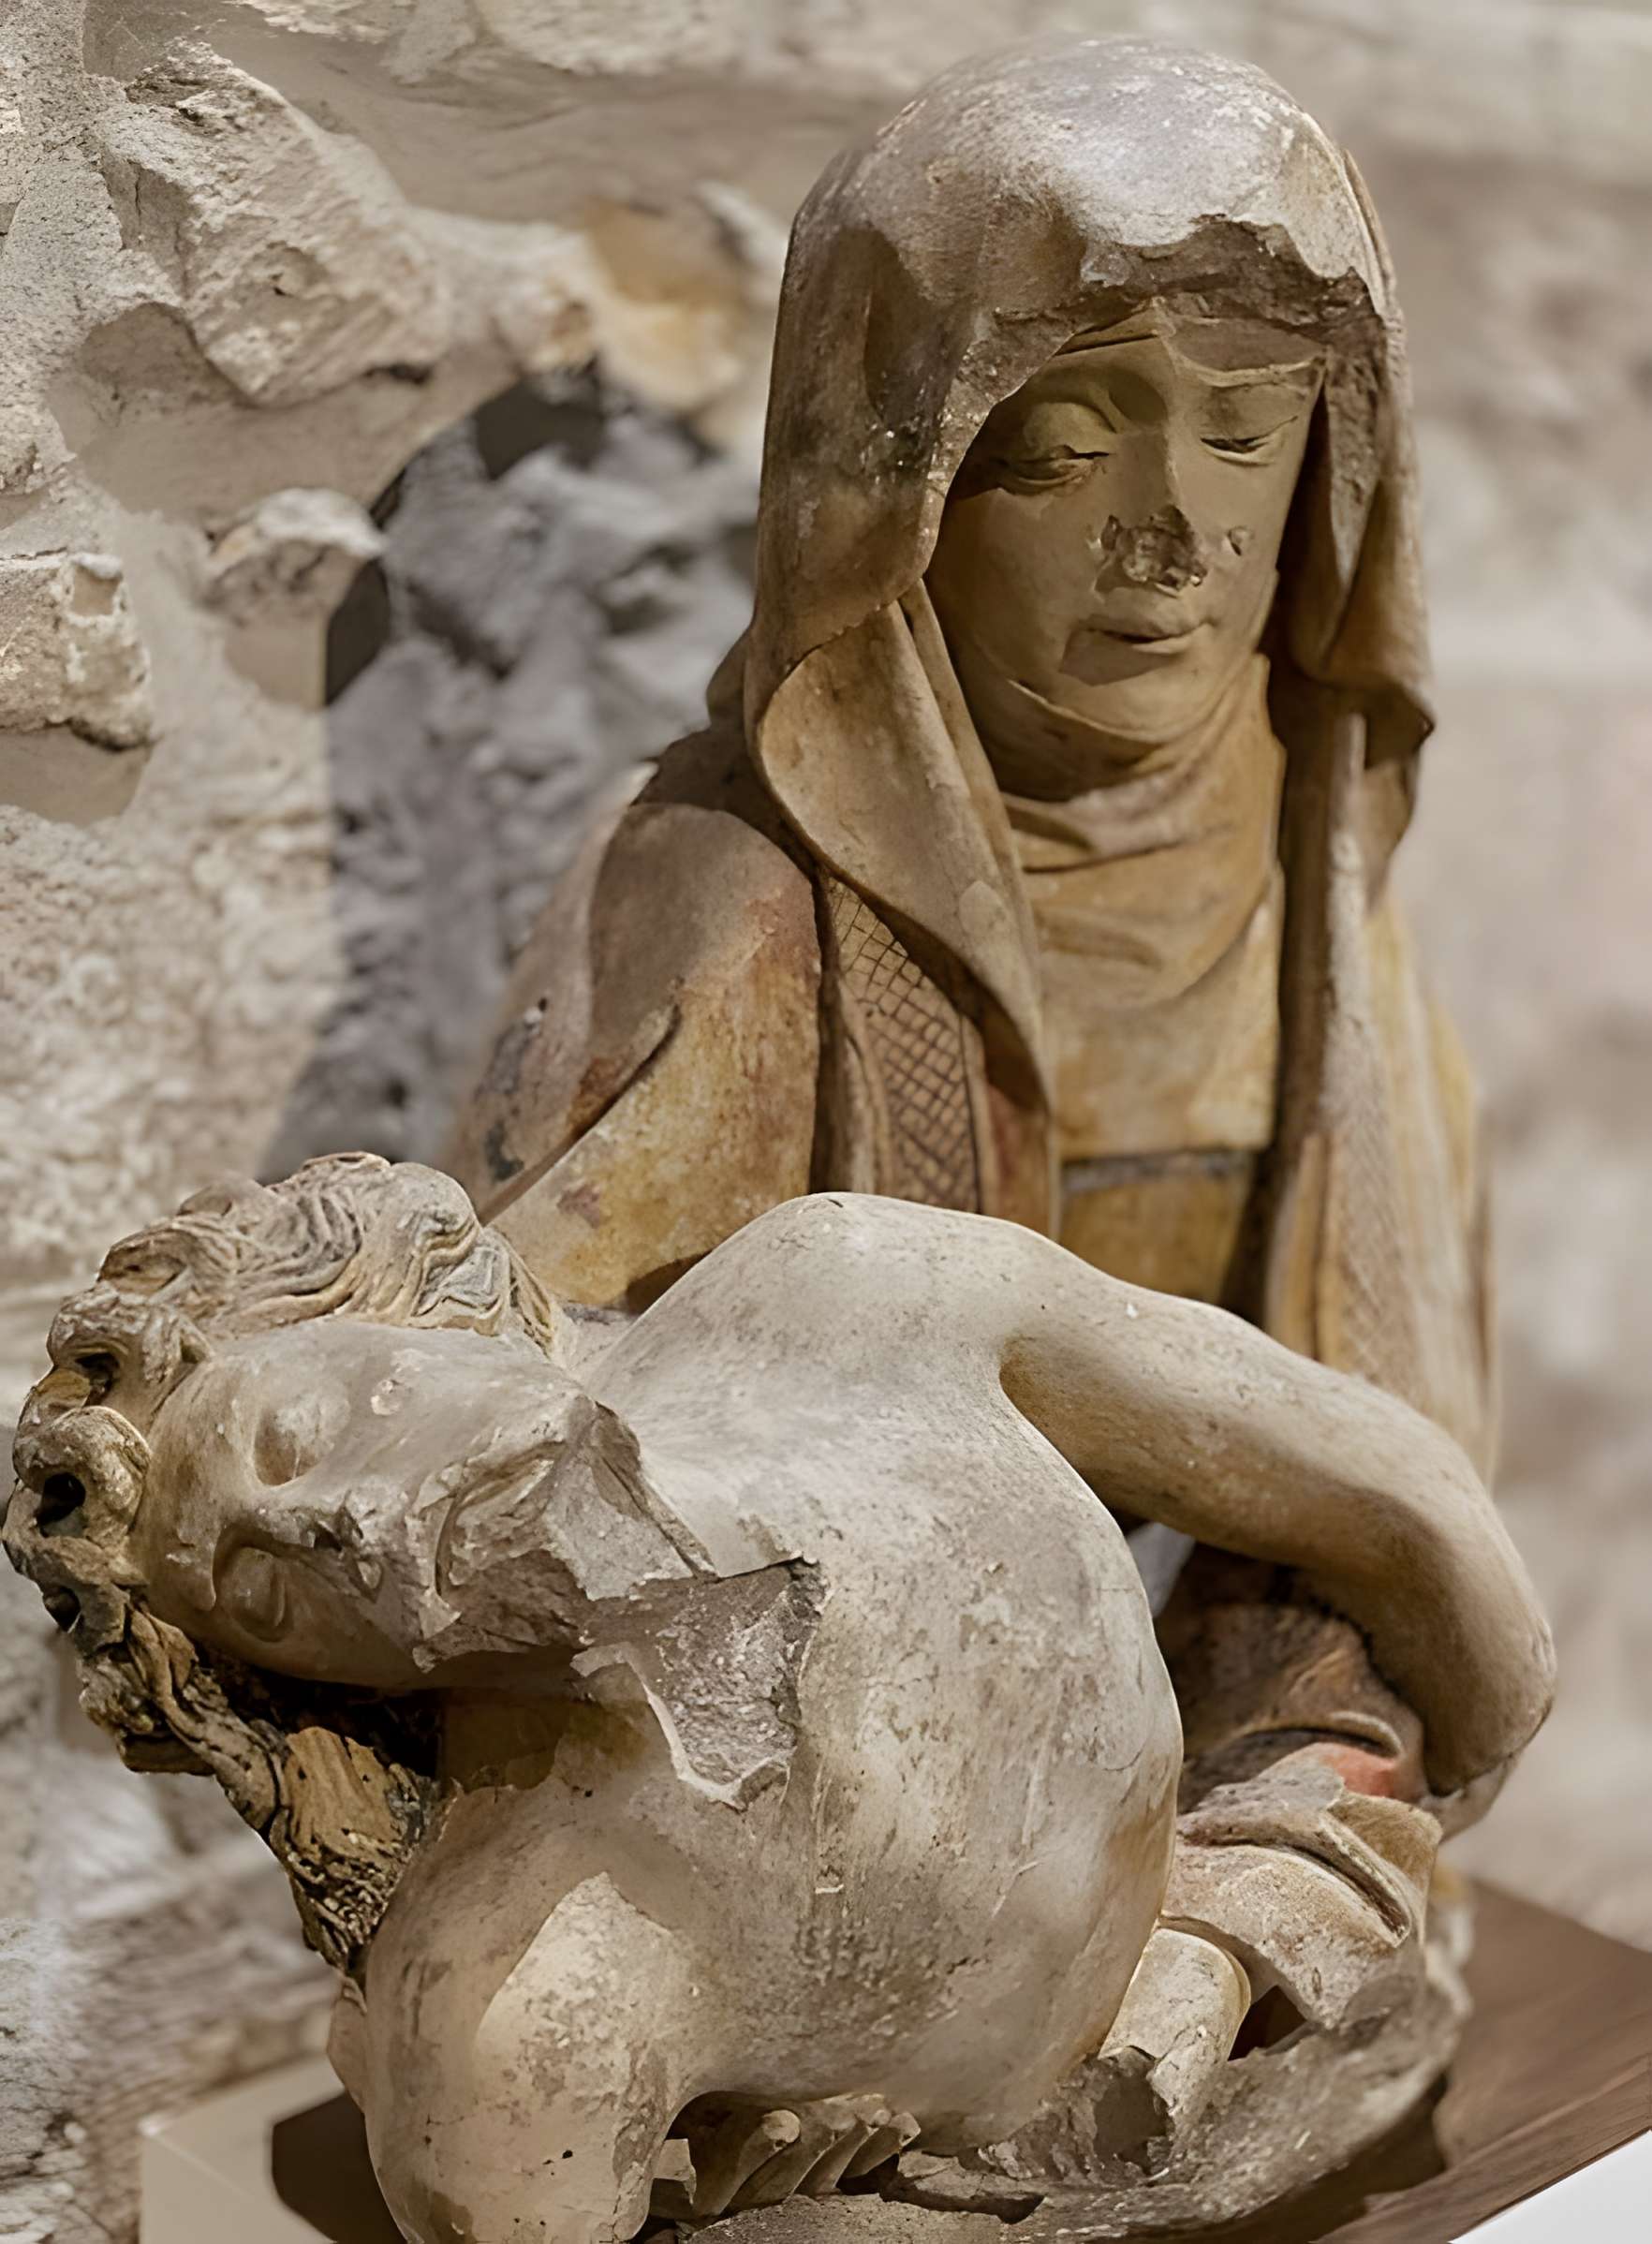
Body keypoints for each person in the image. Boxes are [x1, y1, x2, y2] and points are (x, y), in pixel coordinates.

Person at [6, 1155, 1549, 2244]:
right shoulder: (514, 1988)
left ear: (386, 1305)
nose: (334, 1526)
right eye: (269, 1595)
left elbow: (1379, 1491)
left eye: (294, 1435)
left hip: (1237, 1934)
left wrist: (1481, 1724)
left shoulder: (850, 1300)